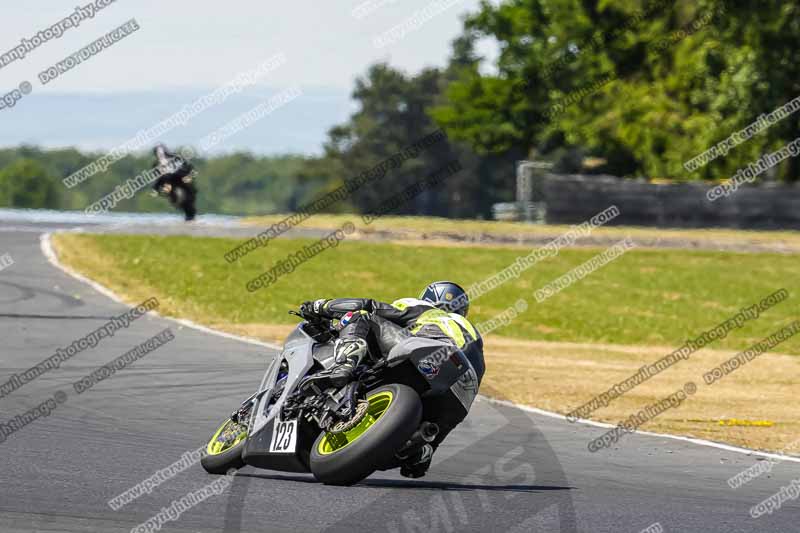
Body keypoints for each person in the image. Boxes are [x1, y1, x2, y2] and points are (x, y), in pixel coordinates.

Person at [301, 281, 484, 478]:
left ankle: (344, 364)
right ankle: (420, 450)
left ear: (430, 298)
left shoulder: (425, 309)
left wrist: (320, 306)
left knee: (361, 317)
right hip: (459, 397)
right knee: (423, 452)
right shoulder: (477, 343)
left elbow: (368, 305)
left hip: (430, 351)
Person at [150, 144, 197, 221]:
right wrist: (156, 189)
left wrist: (190, 175)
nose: (161, 156)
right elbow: (157, 179)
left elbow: (188, 166)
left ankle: (190, 214)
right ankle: (178, 202)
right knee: (169, 191)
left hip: (181, 178)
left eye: (162, 154)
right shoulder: (156, 165)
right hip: (170, 182)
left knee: (190, 196)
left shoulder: (176, 157)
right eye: (159, 154)